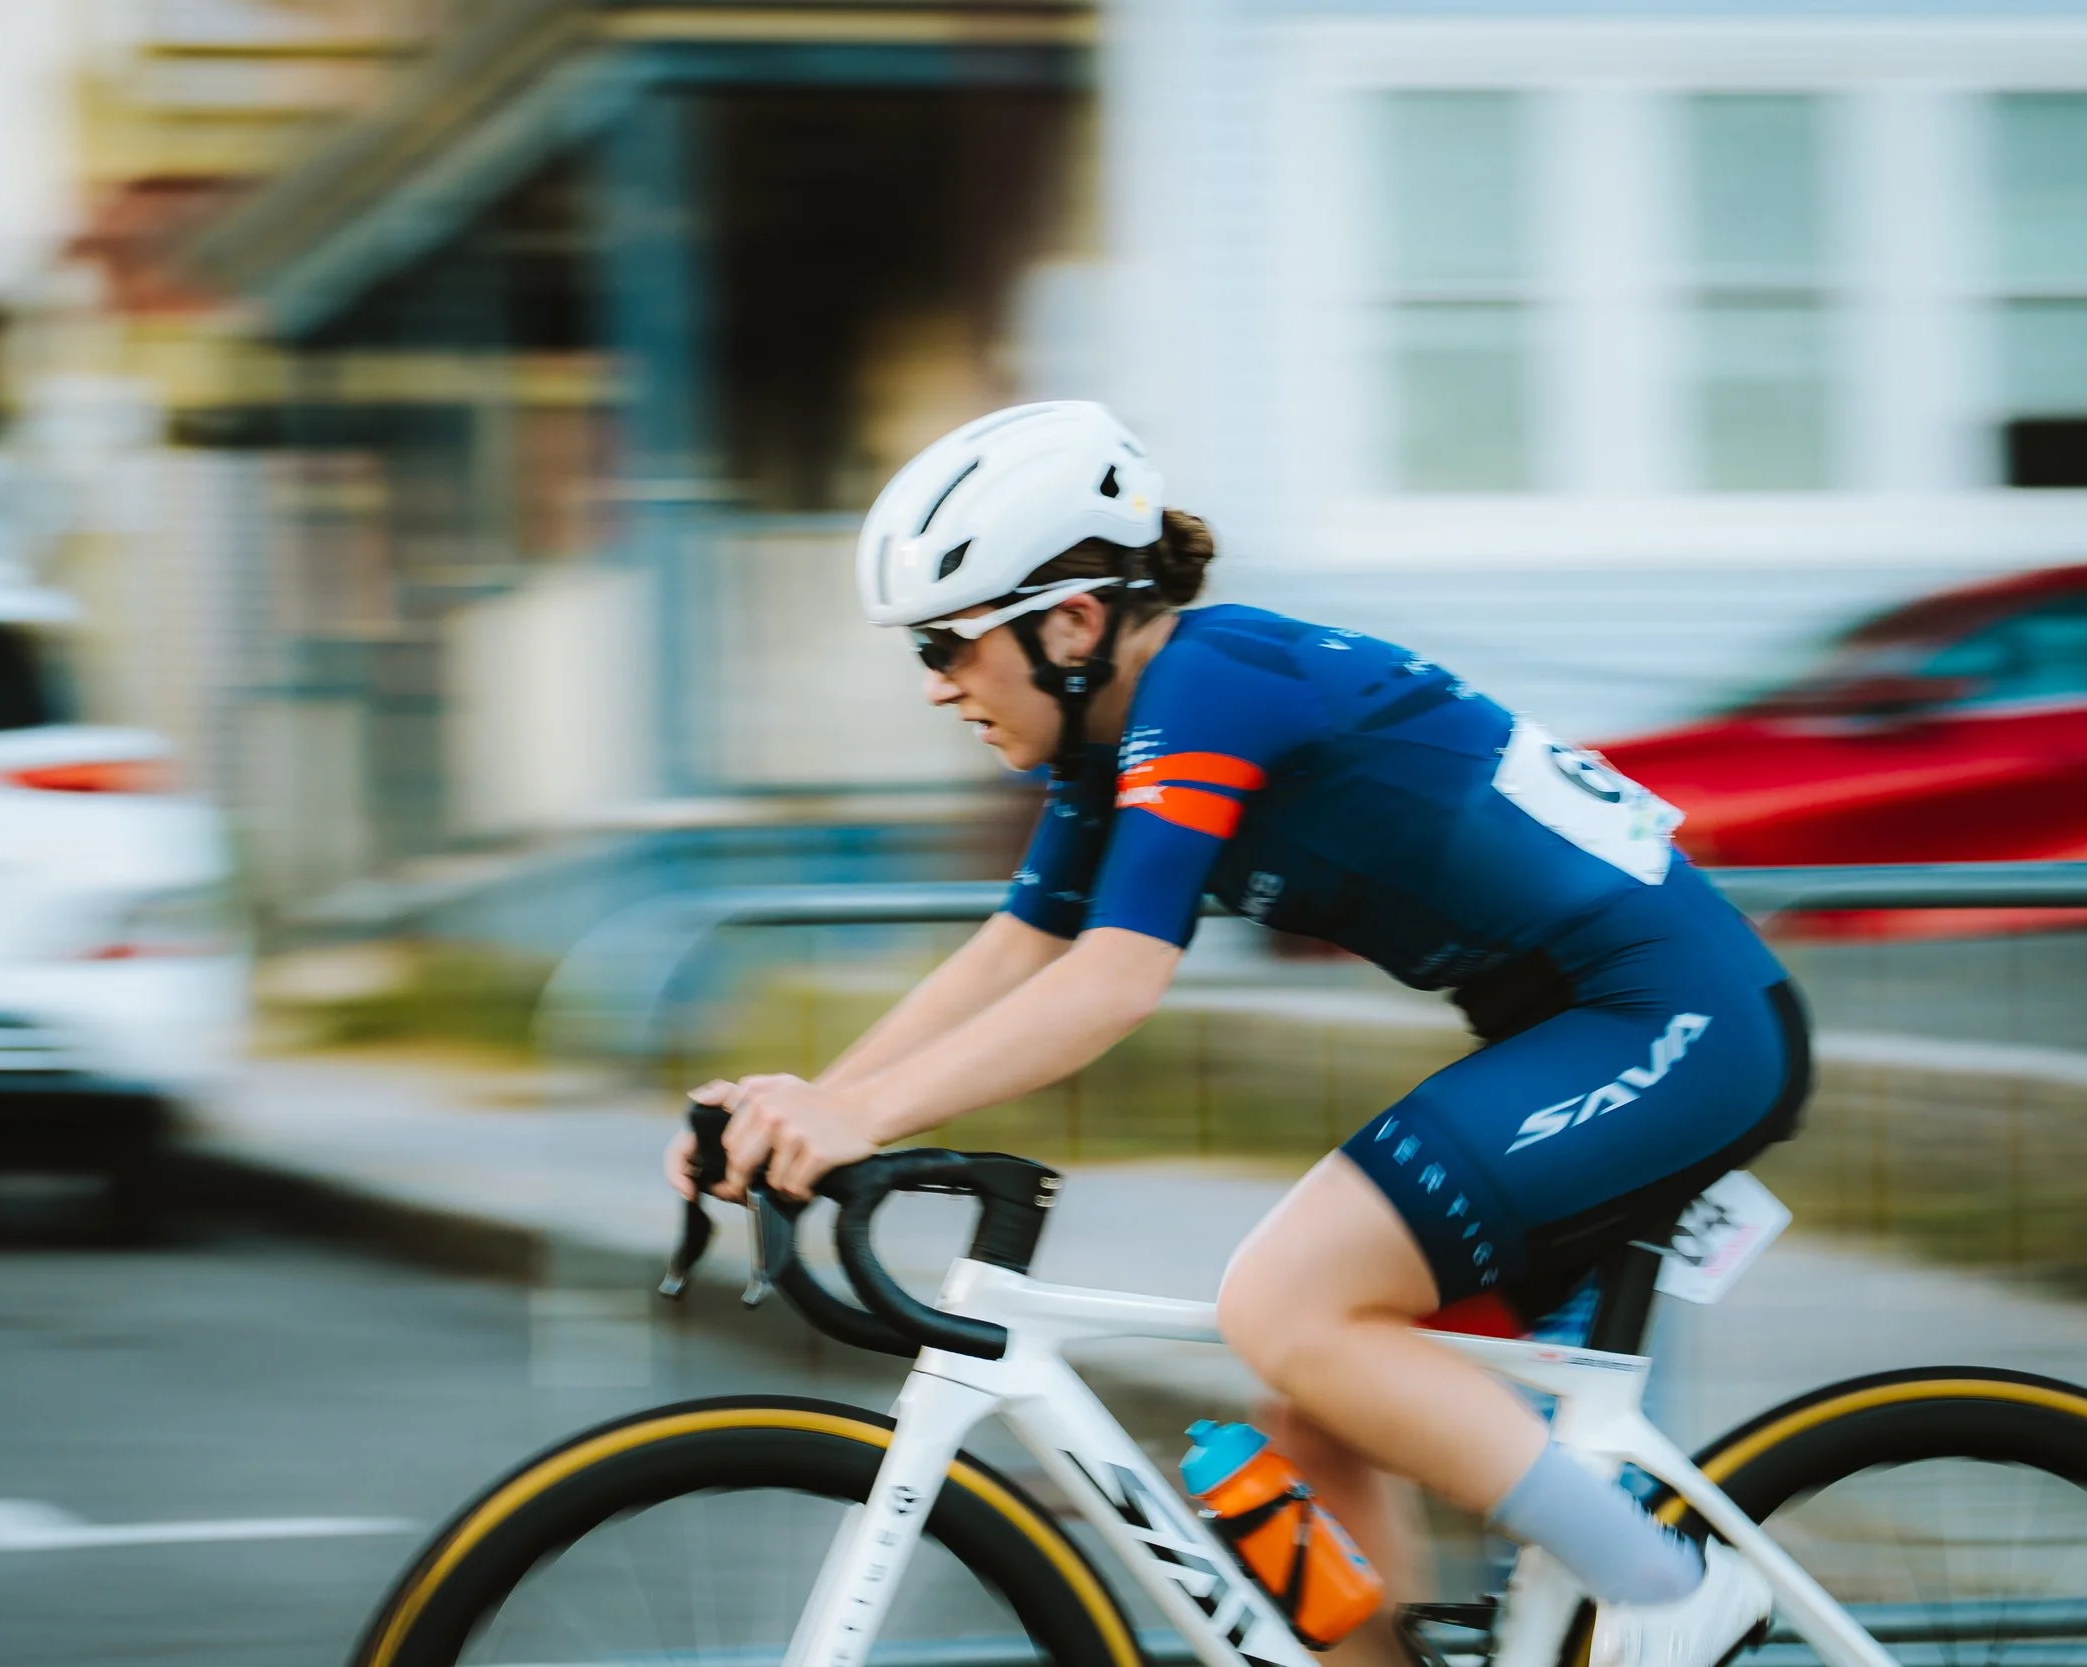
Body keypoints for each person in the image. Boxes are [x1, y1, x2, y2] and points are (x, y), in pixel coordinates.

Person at [666, 401, 1808, 1667]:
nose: (935, 683)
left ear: (1071, 623)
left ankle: (1664, 1589)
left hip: (1671, 1021)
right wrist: (805, 1106)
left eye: (947, 642)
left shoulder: (1212, 682)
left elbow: (1112, 981)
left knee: (1286, 1303)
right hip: (1580, 1031)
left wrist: (857, 1118)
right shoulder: (1109, 747)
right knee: (1310, 1421)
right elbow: (1016, 951)